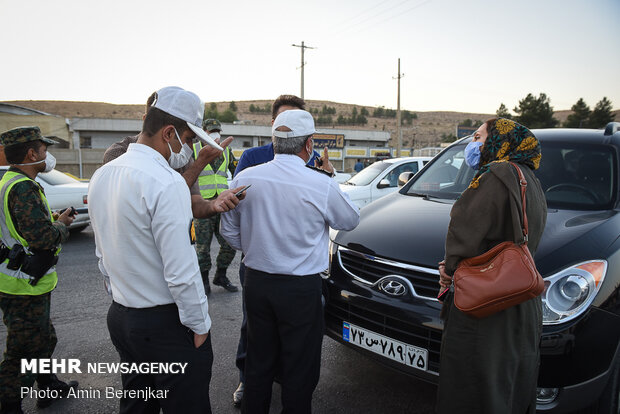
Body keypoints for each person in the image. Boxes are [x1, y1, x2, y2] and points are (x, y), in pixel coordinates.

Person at [89, 86, 243, 414]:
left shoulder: (102, 175)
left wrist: (121, 298)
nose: (189, 149)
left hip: (122, 317)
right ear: (169, 133)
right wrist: (200, 326)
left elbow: (102, 254)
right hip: (164, 325)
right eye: (188, 140)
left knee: (137, 403)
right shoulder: (166, 182)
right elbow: (182, 271)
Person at [221, 109, 360, 414]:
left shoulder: (246, 177)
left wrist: (258, 248)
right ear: (309, 144)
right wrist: (330, 176)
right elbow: (349, 220)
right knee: (299, 367)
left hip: (257, 282)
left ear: (274, 140)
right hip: (300, 288)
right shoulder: (320, 183)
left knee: (258, 361)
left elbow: (228, 228)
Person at [436, 118, 546, 413]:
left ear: (499, 141)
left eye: (479, 136)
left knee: (475, 390)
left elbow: (464, 230)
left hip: (486, 308)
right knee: (509, 388)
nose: (474, 144)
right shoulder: (529, 179)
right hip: (520, 301)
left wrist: (450, 270)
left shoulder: (495, 176)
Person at [0, 126, 78, 414]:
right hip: (22, 285)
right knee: (22, 353)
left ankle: (48, 386)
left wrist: (51, 218)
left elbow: (20, 226)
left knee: (45, 338)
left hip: (20, 282)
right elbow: (43, 238)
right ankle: (9, 405)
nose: (48, 154)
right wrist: (61, 225)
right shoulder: (23, 187)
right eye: (44, 149)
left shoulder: (9, 181)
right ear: (32, 153)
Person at [103, 92, 236, 219]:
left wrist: (214, 204)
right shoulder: (118, 155)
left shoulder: (181, 156)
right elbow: (155, 204)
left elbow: (195, 204)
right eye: (188, 138)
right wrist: (199, 164)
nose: (189, 146)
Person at [192, 118, 238, 293]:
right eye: (211, 131)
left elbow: (237, 170)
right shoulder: (194, 150)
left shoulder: (226, 151)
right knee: (202, 247)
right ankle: (204, 281)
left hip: (222, 204)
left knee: (229, 243)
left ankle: (221, 275)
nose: (215, 134)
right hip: (201, 205)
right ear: (203, 132)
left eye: (217, 130)